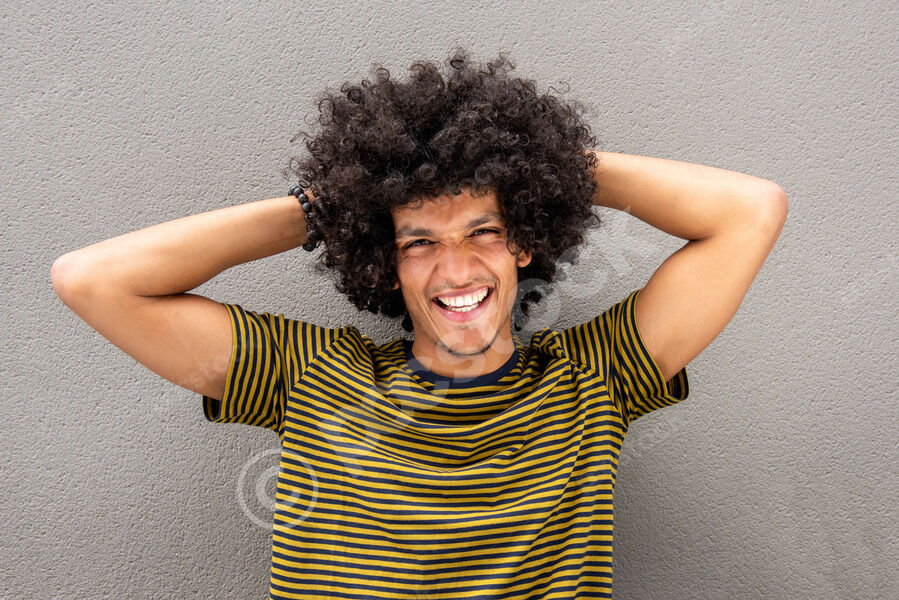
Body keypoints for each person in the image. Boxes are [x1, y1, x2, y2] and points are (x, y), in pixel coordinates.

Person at [51, 49, 787, 599]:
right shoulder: (309, 377)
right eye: (419, 242)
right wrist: (324, 208)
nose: (456, 269)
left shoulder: (593, 379)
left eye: (483, 232)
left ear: (525, 243)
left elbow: (750, 211)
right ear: (385, 264)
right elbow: (91, 280)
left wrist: (551, 166)